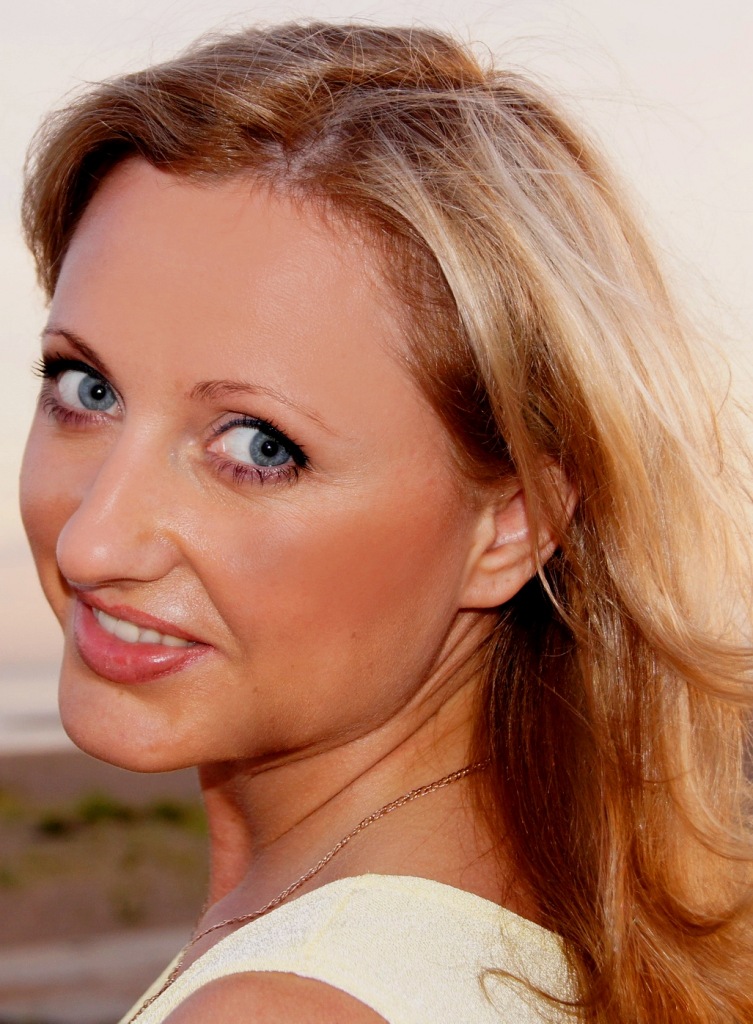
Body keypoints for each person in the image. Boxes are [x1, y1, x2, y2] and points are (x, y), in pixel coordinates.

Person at [18, 21, 753, 1024]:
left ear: (513, 526)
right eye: (86, 387)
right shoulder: (537, 937)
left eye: (259, 447)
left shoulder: (282, 1007)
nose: (92, 542)